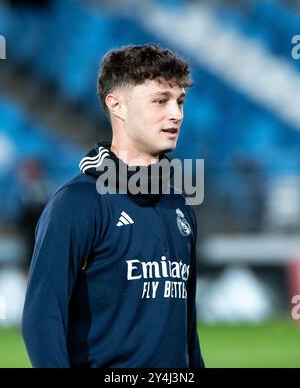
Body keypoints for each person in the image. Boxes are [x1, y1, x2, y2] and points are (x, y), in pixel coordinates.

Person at [21, 43, 205, 368]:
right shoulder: (77, 203)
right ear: (116, 104)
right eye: (160, 101)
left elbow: (188, 336)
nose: (176, 114)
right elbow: (41, 319)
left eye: (179, 102)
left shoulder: (180, 206)